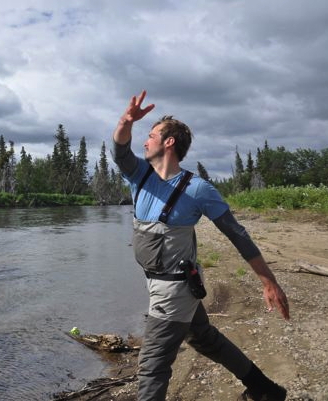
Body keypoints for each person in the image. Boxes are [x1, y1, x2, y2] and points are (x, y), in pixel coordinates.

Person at [112, 90, 290, 401]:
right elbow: (119, 149)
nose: (145, 141)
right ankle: (265, 391)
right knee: (204, 337)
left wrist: (268, 281)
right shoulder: (139, 175)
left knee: (153, 365)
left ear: (169, 143)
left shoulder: (198, 189)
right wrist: (127, 119)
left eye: (151, 135)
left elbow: (237, 233)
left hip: (175, 289)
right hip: (157, 282)